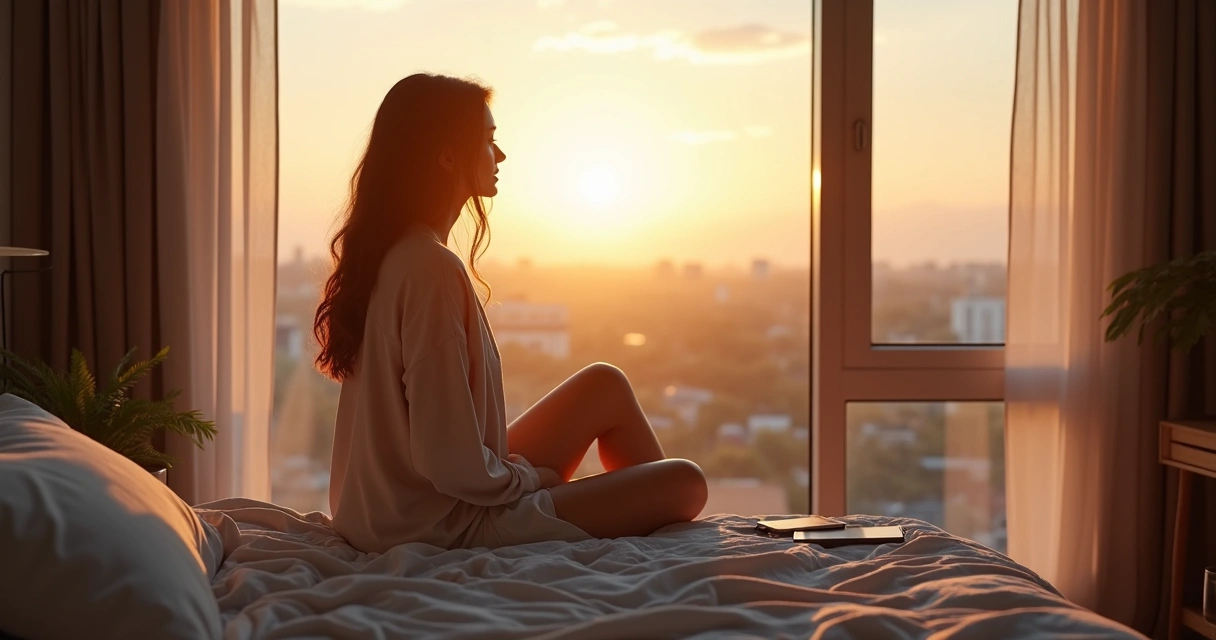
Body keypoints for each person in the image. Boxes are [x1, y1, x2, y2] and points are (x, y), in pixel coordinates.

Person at [313, 73, 708, 552]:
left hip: (388, 510)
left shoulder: (396, 253)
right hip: (434, 525)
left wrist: (522, 474)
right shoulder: (430, 268)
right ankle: (659, 550)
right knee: (686, 483)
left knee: (604, 384)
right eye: (488, 140)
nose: (499, 156)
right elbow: (446, 461)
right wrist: (528, 480)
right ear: (447, 156)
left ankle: (637, 530)